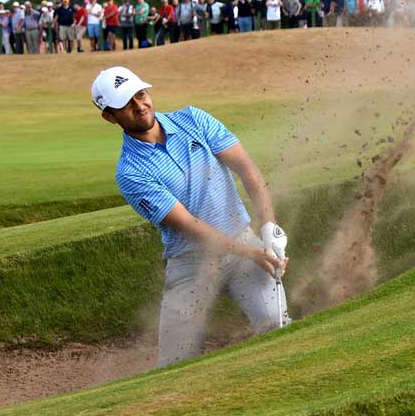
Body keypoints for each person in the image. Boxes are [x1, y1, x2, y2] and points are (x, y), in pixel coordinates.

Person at [92, 65, 288, 367]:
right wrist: (250, 252)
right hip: (190, 264)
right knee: (174, 364)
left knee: (278, 325)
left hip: (241, 242)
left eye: (140, 94)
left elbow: (247, 169)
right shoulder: (130, 172)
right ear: (109, 116)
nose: (139, 106)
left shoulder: (193, 119)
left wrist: (269, 225)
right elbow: (190, 226)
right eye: (126, 104)